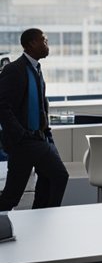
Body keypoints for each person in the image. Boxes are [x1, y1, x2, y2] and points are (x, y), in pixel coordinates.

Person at [0, 28, 69, 210]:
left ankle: (40, 220)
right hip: (25, 141)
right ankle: (46, 216)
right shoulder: (14, 69)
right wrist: (21, 134)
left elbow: (39, 105)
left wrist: (47, 133)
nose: (47, 45)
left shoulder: (37, 69)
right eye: (44, 41)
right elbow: (2, 105)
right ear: (31, 43)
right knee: (59, 176)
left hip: (39, 137)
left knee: (17, 193)